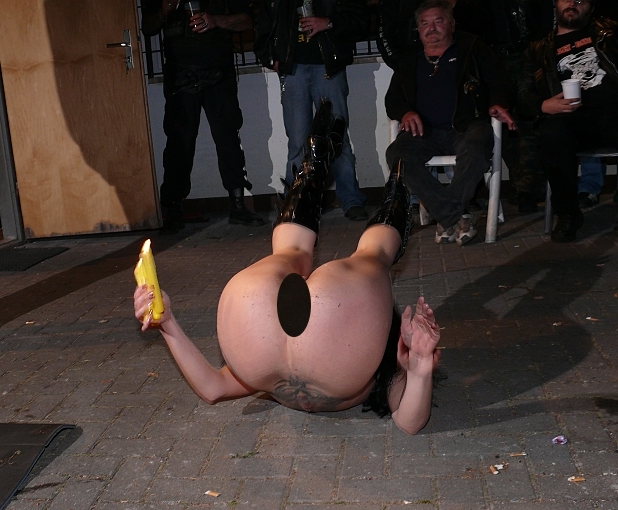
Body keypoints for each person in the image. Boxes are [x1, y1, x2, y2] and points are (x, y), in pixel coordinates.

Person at [134, 101, 441, 435]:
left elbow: (213, 389)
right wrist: (420, 366)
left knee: (305, 252)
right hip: (310, 329)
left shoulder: (377, 361)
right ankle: (395, 185)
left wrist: (168, 323)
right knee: (372, 256)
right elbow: (409, 422)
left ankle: (321, 168)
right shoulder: (381, 369)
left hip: (272, 336)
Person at [518, 0, 618, 241]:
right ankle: (568, 215)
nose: (572, 4)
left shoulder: (612, 32)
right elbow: (523, 95)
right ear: (555, 4)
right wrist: (543, 105)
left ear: (591, 7)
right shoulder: (538, 50)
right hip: (574, 117)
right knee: (551, 135)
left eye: (580, 0)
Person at [384, 0, 517, 246]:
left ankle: (446, 218)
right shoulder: (409, 59)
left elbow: (500, 82)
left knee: (476, 149)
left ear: (452, 24)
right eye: (425, 23)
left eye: (439, 21)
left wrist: (498, 103)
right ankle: (455, 216)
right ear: (418, 29)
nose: (431, 28)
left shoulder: (473, 49)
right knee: (397, 155)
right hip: (424, 132)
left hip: (466, 127)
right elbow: (393, 99)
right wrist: (405, 112)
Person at [142, 0, 264, 232]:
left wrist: (216, 20)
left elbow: (247, 20)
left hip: (219, 71)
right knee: (179, 143)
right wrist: (165, 10)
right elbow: (147, 27)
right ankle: (173, 209)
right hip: (180, 75)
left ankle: (238, 205)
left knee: (228, 137)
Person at [254, 0, 371, 221]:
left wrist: (329, 23)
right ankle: (297, 202)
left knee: (336, 138)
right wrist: (272, 59)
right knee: (298, 141)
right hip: (293, 69)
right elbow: (263, 28)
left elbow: (361, 21)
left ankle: (350, 200)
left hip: (329, 67)